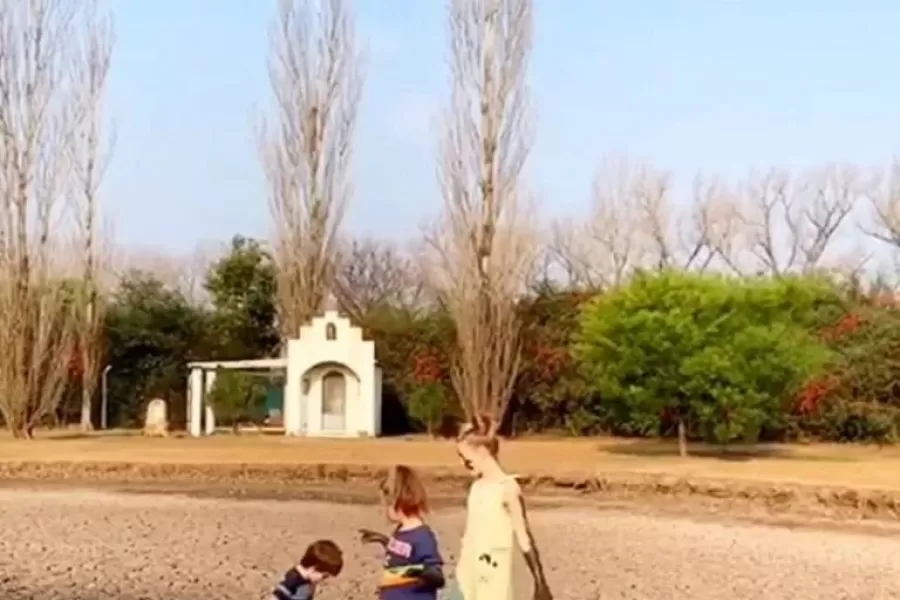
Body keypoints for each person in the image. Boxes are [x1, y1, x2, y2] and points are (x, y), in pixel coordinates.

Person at [453, 417, 553, 600]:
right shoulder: (476, 487)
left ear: (482, 451)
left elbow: (524, 537)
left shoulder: (507, 488)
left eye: (466, 458)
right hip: (468, 574)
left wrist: (540, 582)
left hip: (494, 576)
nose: (464, 463)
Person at [358, 465, 445, 599]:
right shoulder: (401, 530)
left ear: (398, 502)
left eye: (387, 504)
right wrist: (383, 540)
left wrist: (410, 572)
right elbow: (403, 553)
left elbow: (437, 576)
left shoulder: (422, 537)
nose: (385, 510)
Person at [272, 539, 343, 600]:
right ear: (313, 568)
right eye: (324, 576)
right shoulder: (292, 580)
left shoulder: (308, 580)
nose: (324, 580)